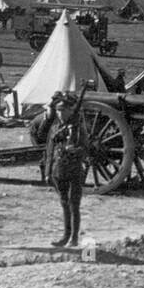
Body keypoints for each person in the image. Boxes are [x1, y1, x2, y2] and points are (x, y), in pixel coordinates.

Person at [44, 93, 90, 248]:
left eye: (63, 110)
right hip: (58, 170)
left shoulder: (77, 127)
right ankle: (65, 235)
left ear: (70, 111)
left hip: (74, 169)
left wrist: (74, 150)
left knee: (74, 205)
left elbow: (85, 148)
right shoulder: (56, 127)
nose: (60, 113)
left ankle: (74, 238)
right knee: (64, 203)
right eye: (58, 110)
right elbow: (49, 151)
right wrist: (47, 172)